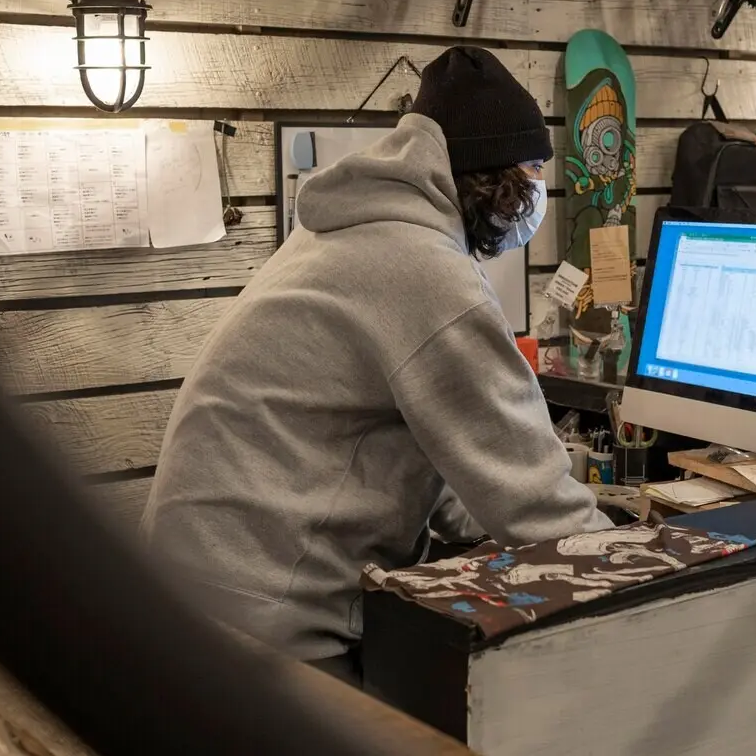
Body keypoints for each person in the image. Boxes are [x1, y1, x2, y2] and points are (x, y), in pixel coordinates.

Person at [140, 46, 612, 686]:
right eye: (532, 169)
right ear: (489, 176)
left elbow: (436, 453)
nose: (537, 192)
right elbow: (536, 505)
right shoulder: (424, 271)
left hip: (199, 598)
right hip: (267, 622)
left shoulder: (341, 234)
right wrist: (637, 560)